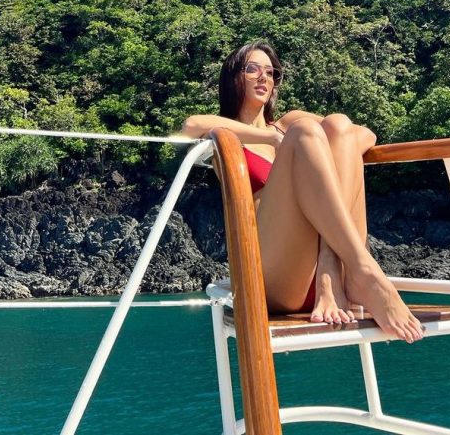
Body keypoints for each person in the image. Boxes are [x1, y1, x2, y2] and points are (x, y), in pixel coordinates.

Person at [182, 40, 424, 342]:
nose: (264, 77)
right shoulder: (227, 136)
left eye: (271, 72)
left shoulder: (289, 123)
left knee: (337, 123)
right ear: (233, 77)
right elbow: (191, 125)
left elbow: (362, 135)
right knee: (306, 130)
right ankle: (365, 270)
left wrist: (305, 140)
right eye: (252, 69)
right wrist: (272, 139)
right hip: (275, 275)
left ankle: (334, 269)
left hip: (331, 277)